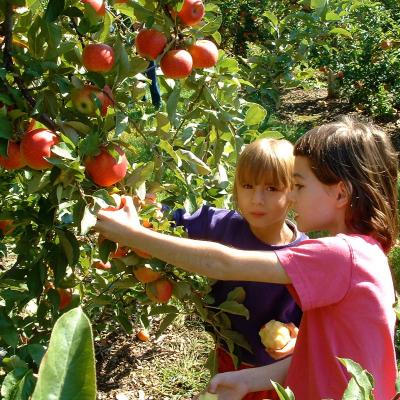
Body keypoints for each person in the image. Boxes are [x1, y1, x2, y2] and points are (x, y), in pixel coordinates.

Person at [95, 116, 398, 400]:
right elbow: (316, 355)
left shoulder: (340, 255)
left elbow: (221, 264)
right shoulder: (365, 254)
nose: (292, 197)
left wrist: (131, 234)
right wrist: (248, 381)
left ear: (341, 195)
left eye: (300, 186)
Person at [172, 138, 306, 400]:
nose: (257, 199)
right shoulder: (221, 226)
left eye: (271, 188)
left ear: (292, 192)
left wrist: (295, 338)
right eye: (248, 185)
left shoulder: (305, 256)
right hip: (229, 356)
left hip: (273, 373)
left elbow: (313, 324)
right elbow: (169, 218)